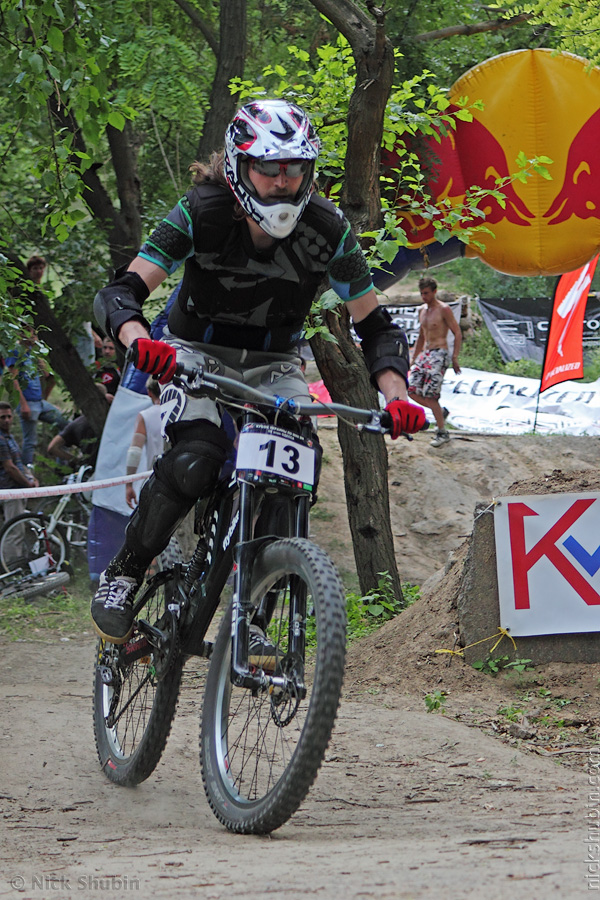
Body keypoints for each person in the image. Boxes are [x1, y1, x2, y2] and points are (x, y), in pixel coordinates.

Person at [90, 98, 426, 645]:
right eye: (268, 168)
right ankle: (126, 569)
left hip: (275, 366)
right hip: (192, 350)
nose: (282, 182)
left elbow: (378, 327)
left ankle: (254, 622)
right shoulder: (202, 211)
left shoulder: (328, 230)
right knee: (197, 458)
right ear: (239, 166)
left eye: (294, 168)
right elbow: (121, 291)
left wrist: (397, 395)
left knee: (294, 475)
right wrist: (139, 340)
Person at [408, 275, 462, 449]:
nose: (424, 297)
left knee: (431, 394)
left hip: (440, 352)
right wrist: (414, 358)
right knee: (412, 391)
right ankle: (440, 412)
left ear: (434, 292)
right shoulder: (422, 310)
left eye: (427, 293)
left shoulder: (443, 309)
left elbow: (457, 332)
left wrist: (454, 357)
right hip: (426, 353)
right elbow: (422, 336)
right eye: (422, 293)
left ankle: (442, 431)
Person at [4, 327, 68, 466]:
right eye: (26, 332)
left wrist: (45, 399)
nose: (31, 336)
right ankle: (27, 471)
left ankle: (62, 465)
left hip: (39, 401)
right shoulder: (15, 351)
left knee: (65, 424)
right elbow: (12, 380)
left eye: (33, 332)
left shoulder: (33, 354)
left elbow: (49, 378)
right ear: (20, 333)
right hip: (27, 402)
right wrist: (23, 405)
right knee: (30, 441)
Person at [0, 402, 39, 545]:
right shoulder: (1, 439)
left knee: (20, 529)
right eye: (2, 417)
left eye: (9, 416)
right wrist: (27, 483)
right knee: (14, 532)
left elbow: (19, 463)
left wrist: (32, 478)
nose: (6, 420)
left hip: (16, 490)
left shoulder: (9, 438)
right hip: (10, 491)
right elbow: (10, 468)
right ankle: (12, 565)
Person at [47, 384, 112, 469]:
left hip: (90, 468)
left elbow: (52, 447)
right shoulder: (113, 419)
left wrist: (77, 461)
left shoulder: (76, 424)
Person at [124, 377, 163, 509]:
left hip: (157, 479)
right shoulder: (181, 413)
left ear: (149, 392)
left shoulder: (145, 416)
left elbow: (134, 452)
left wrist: (129, 485)